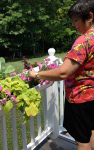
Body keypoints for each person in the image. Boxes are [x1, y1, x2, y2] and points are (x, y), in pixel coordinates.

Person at [29, 0, 94, 150]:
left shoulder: (84, 41)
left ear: (90, 17)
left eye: (76, 20)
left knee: (82, 141)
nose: (73, 24)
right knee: (91, 131)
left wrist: (37, 73)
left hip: (80, 98)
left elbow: (63, 71)